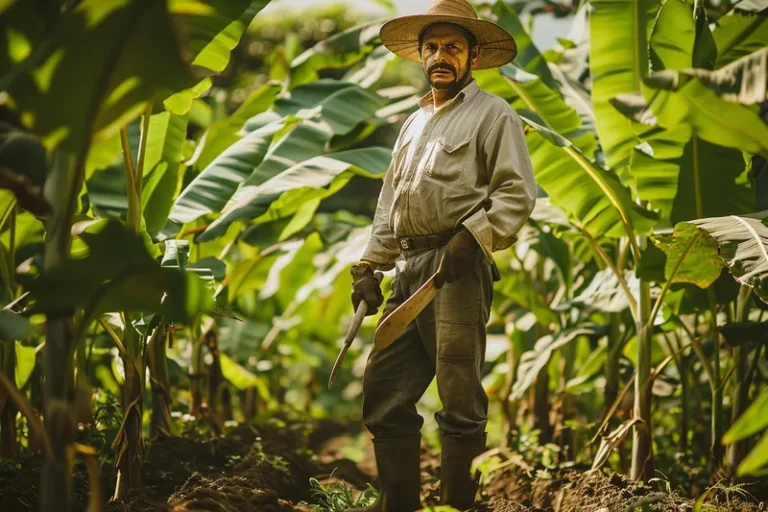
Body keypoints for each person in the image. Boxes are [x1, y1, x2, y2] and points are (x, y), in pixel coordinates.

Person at [347, 0, 537, 510]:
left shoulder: (494, 115)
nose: (440, 56)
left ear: (472, 55)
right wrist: (368, 266)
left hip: (456, 271)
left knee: (458, 398)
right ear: (421, 56)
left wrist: (471, 237)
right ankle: (400, 506)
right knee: (383, 387)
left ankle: (457, 504)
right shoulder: (412, 124)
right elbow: (391, 205)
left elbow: (516, 194)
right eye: (431, 47)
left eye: (452, 47)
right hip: (408, 270)